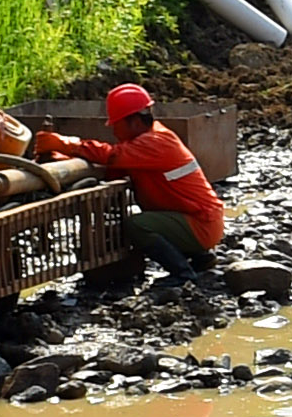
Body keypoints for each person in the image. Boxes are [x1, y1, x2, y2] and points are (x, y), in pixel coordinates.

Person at [29, 81, 226, 276]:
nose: (114, 130)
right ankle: (199, 257)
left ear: (134, 121)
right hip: (201, 220)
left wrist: (67, 144)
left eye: (116, 124)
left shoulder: (154, 142)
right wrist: (65, 160)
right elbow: (113, 169)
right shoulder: (151, 139)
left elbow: (111, 156)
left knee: (137, 224)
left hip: (200, 224)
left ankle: (182, 273)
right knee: (149, 222)